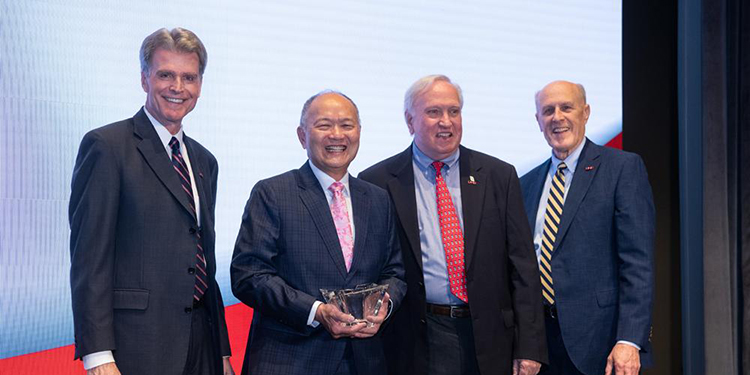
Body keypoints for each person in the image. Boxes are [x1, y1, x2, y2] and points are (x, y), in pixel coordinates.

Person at [69, 27, 233, 375]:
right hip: (136, 346)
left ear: (200, 85)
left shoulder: (205, 161)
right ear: (144, 79)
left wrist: (221, 351)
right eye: (165, 75)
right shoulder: (107, 146)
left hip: (202, 345)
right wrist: (97, 355)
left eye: (189, 77)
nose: (178, 87)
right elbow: (89, 258)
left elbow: (202, 259)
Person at [359, 75, 546, 375]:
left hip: (492, 337)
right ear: (410, 121)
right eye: (434, 112)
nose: (446, 121)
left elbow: (522, 267)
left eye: (454, 111)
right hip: (418, 339)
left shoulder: (498, 175)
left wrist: (530, 347)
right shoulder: (377, 182)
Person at [230, 91, 406, 375]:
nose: (337, 135)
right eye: (324, 125)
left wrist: (383, 304)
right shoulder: (273, 193)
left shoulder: (377, 199)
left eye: (347, 125)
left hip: (366, 361)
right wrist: (316, 311)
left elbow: (395, 272)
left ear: (359, 133)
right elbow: (249, 274)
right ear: (302, 136)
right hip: (290, 360)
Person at [520, 80, 655, 375]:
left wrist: (629, 340)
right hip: (541, 349)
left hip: (601, 345)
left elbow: (637, 263)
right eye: (548, 110)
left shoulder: (621, 168)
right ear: (538, 121)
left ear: (586, 112)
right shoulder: (525, 184)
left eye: (566, 107)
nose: (557, 117)